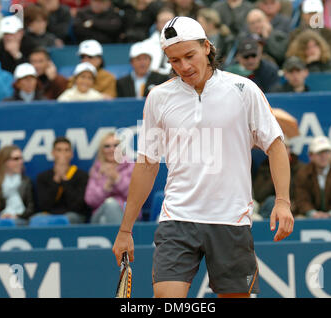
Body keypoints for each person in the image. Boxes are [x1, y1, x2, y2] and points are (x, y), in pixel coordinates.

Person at [112, 16, 294, 298]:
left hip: (231, 221)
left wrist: (282, 201)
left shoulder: (244, 90)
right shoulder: (158, 98)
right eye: (174, 61)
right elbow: (147, 164)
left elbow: (275, 145)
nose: (183, 67)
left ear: (207, 47)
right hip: (177, 219)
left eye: (189, 56)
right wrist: (126, 230)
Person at [35, 136, 90, 224]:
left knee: (68, 218)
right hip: (50, 215)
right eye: (59, 150)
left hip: (73, 215)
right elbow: (44, 206)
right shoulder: (43, 177)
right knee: (36, 219)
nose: (63, 154)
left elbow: (78, 206)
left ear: (71, 154)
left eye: (66, 150)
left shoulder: (81, 176)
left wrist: (64, 179)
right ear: (53, 153)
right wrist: (56, 179)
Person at [84, 132, 134, 224]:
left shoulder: (131, 166)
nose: (112, 149)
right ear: (102, 150)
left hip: (128, 214)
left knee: (105, 220)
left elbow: (136, 195)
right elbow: (90, 200)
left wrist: (117, 179)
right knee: (109, 205)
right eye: (107, 146)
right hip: (99, 214)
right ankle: (124, 237)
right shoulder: (96, 170)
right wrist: (105, 188)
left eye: (115, 145)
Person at [253, 138, 305, 218]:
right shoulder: (264, 168)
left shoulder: (300, 168)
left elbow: (303, 193)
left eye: (285, 147)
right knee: (271, 202)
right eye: (277, 148)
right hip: (270, 207)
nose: (281, 151)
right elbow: (259, 195)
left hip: (294, 206)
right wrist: (275, 174)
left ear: (289, 150)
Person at [0, 145, 34, 225]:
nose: (21, 162)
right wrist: (1, 215)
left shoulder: (26, 181)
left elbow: (31, 208)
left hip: (21, 221)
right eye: (16, 159)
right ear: (4, 161)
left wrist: (17, 216)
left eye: (21, 158)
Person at [142, 6, 175, 75]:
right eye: (163, 22)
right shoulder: (145, 45)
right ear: (157, 24)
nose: (167, 25)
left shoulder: (184, 43)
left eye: (170, 22)